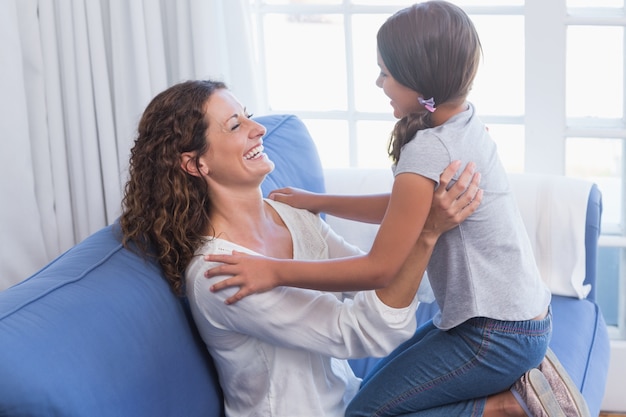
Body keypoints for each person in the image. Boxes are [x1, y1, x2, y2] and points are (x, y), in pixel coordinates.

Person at [204, 2, 590, 416]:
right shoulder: (461, 124)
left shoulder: (428, 148)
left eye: (385, 73)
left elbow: (380, 269)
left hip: (493, 335)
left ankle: (509, 407)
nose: (378, 82)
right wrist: (319, 201)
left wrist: (273, 270)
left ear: (417, 80)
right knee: (375, 391)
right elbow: (403, 207)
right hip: (520, 322)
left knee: (365, 413)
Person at [118, 79, 567, 417]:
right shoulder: (222, 272)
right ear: (195, 163)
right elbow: (362, 332)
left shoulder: (287, 214)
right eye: (236, 125)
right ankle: (506, 406)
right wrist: (427, 231)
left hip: (347, 397)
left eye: (248, 115)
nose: (258, 129)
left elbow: (372, 273)